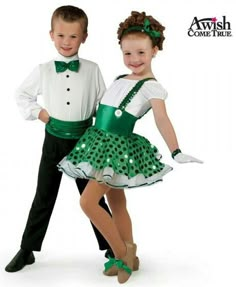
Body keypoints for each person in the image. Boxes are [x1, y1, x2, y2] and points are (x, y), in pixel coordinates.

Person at [58, 11, 202, 283]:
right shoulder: (119, 79)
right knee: (116, 201)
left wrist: (176, 150)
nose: (134, 60)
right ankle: (132, 255)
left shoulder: (152, 88)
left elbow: (162, 119)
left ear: (155, 51)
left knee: (87, 202)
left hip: (115, 150)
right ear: (121, 51)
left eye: (141, 53)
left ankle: (120, 253)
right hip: (97, 143)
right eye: (128, 53)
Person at [5, 5, 114, 273]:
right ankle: (27, 249)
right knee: (44, 195)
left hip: (85, 143)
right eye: (61, 35)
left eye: (73, 36)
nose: (67, 42)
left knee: (93, 197)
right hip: (53, 140)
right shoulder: (43, 69)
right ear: (51, 35)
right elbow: (22, 94)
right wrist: (40, 113)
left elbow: (105, 103)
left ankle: (113, 245)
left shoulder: (92, 69)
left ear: (84, 37)